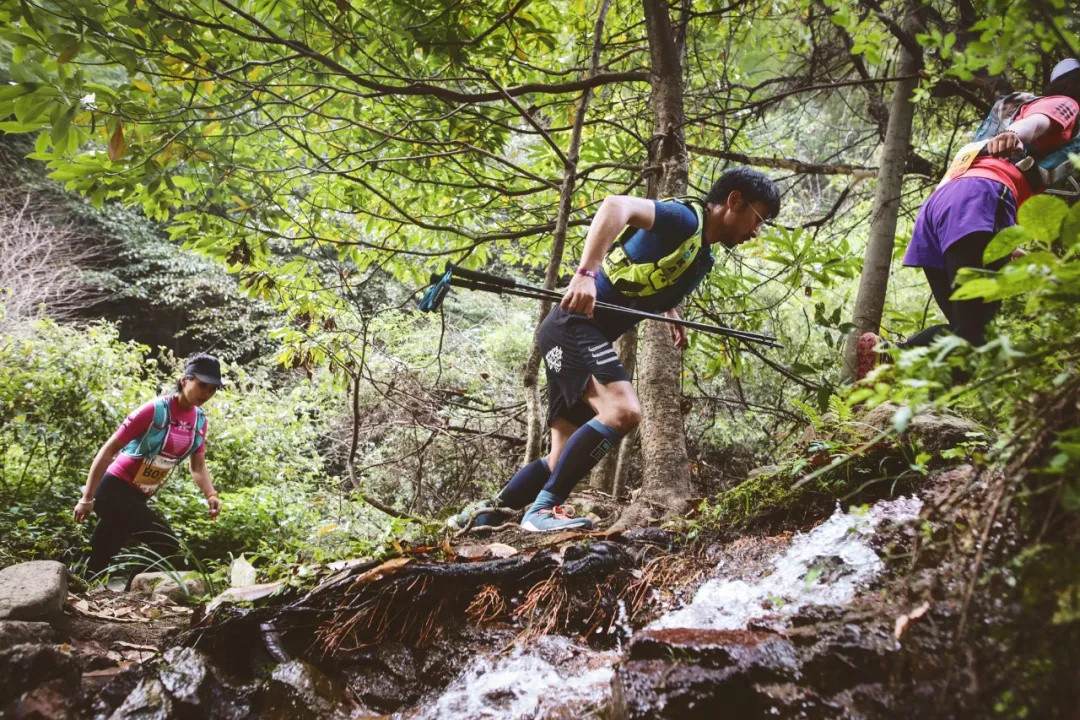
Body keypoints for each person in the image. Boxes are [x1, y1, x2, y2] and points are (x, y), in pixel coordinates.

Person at [450, 167, 781, 533]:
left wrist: (669, 309)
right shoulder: (685, 219)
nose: (755, 231)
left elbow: (650, 275)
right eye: (758, 218)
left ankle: (485, 515)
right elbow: (616, 205)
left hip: (568, 334)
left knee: (560, 457)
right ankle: (542, 510)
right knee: (622, 411)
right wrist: (586, 273)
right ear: (734, 201)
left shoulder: (700, 255)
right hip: (574, 325)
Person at [856, 58, 1080, 378]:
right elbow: (1037, 123)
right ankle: (887, 360)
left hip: (943, 206)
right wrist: (1014, 135)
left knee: (967, 335)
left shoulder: (1013, 105)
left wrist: (1004, 235)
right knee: (976, 341)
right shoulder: (1066, 103)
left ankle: (887, 372)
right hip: (979, 200)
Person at [73, 353, 224, 576]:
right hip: (114, 488)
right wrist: (87, 497)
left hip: (139, 495)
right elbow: (108, 451)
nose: (207, 393)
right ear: (184, 380)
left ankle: (77, 584)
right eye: (202, 385)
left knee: (101, 552)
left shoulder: (200, 421)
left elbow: (198, 467)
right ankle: (135, 592)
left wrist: (211, 495)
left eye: (213, 389)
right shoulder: (154, 410)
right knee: (167, 544)